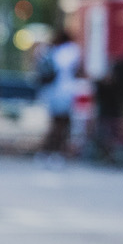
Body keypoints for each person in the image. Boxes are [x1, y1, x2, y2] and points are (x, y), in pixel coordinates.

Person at [38, 28, 82, 163]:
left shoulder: (51, 51)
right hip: (65, 91)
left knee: (55, 123)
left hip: (52, 91)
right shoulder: (72, 51)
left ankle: (49, 151)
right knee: (62, 124)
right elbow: (78, 70)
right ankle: (56, 152)